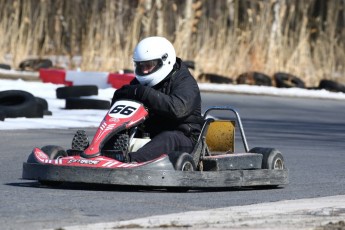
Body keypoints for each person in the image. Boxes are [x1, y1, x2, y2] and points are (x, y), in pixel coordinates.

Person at [111, 36, 203, 163]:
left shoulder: (185, 82)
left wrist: (144, 93)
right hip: (149, 135)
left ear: (165, 60)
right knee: (118, 131)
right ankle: (97, 153)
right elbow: (119, 102)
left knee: (169, 137)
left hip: (184, 138)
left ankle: (130, 161)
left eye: (149, 65)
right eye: (140, 66)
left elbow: (178, 109)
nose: (144, 70)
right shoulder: (139, 83)